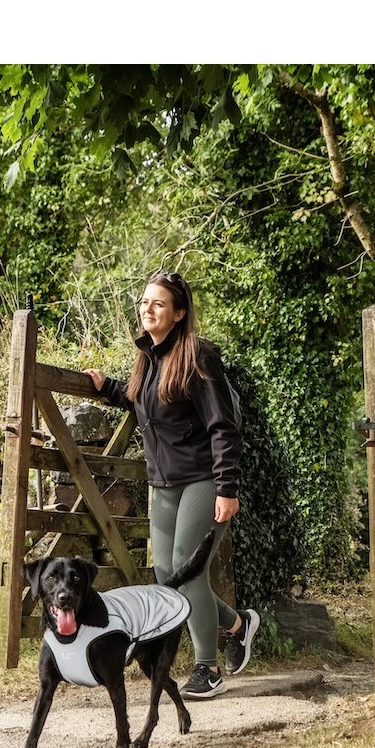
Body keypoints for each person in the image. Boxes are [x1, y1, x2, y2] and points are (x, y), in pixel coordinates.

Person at [83, 271, 259, 700]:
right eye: (145, 302)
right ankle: (238, 625)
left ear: (179, 314)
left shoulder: (198, 356)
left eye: (158, 303)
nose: (148, 309)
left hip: (203, 478)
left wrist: (227, 488)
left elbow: (223, 426)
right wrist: (107, 388)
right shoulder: (147, 357)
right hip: (163, 483)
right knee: (168, 575)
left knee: (188, 565)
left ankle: (207, 667)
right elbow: (142, 401)